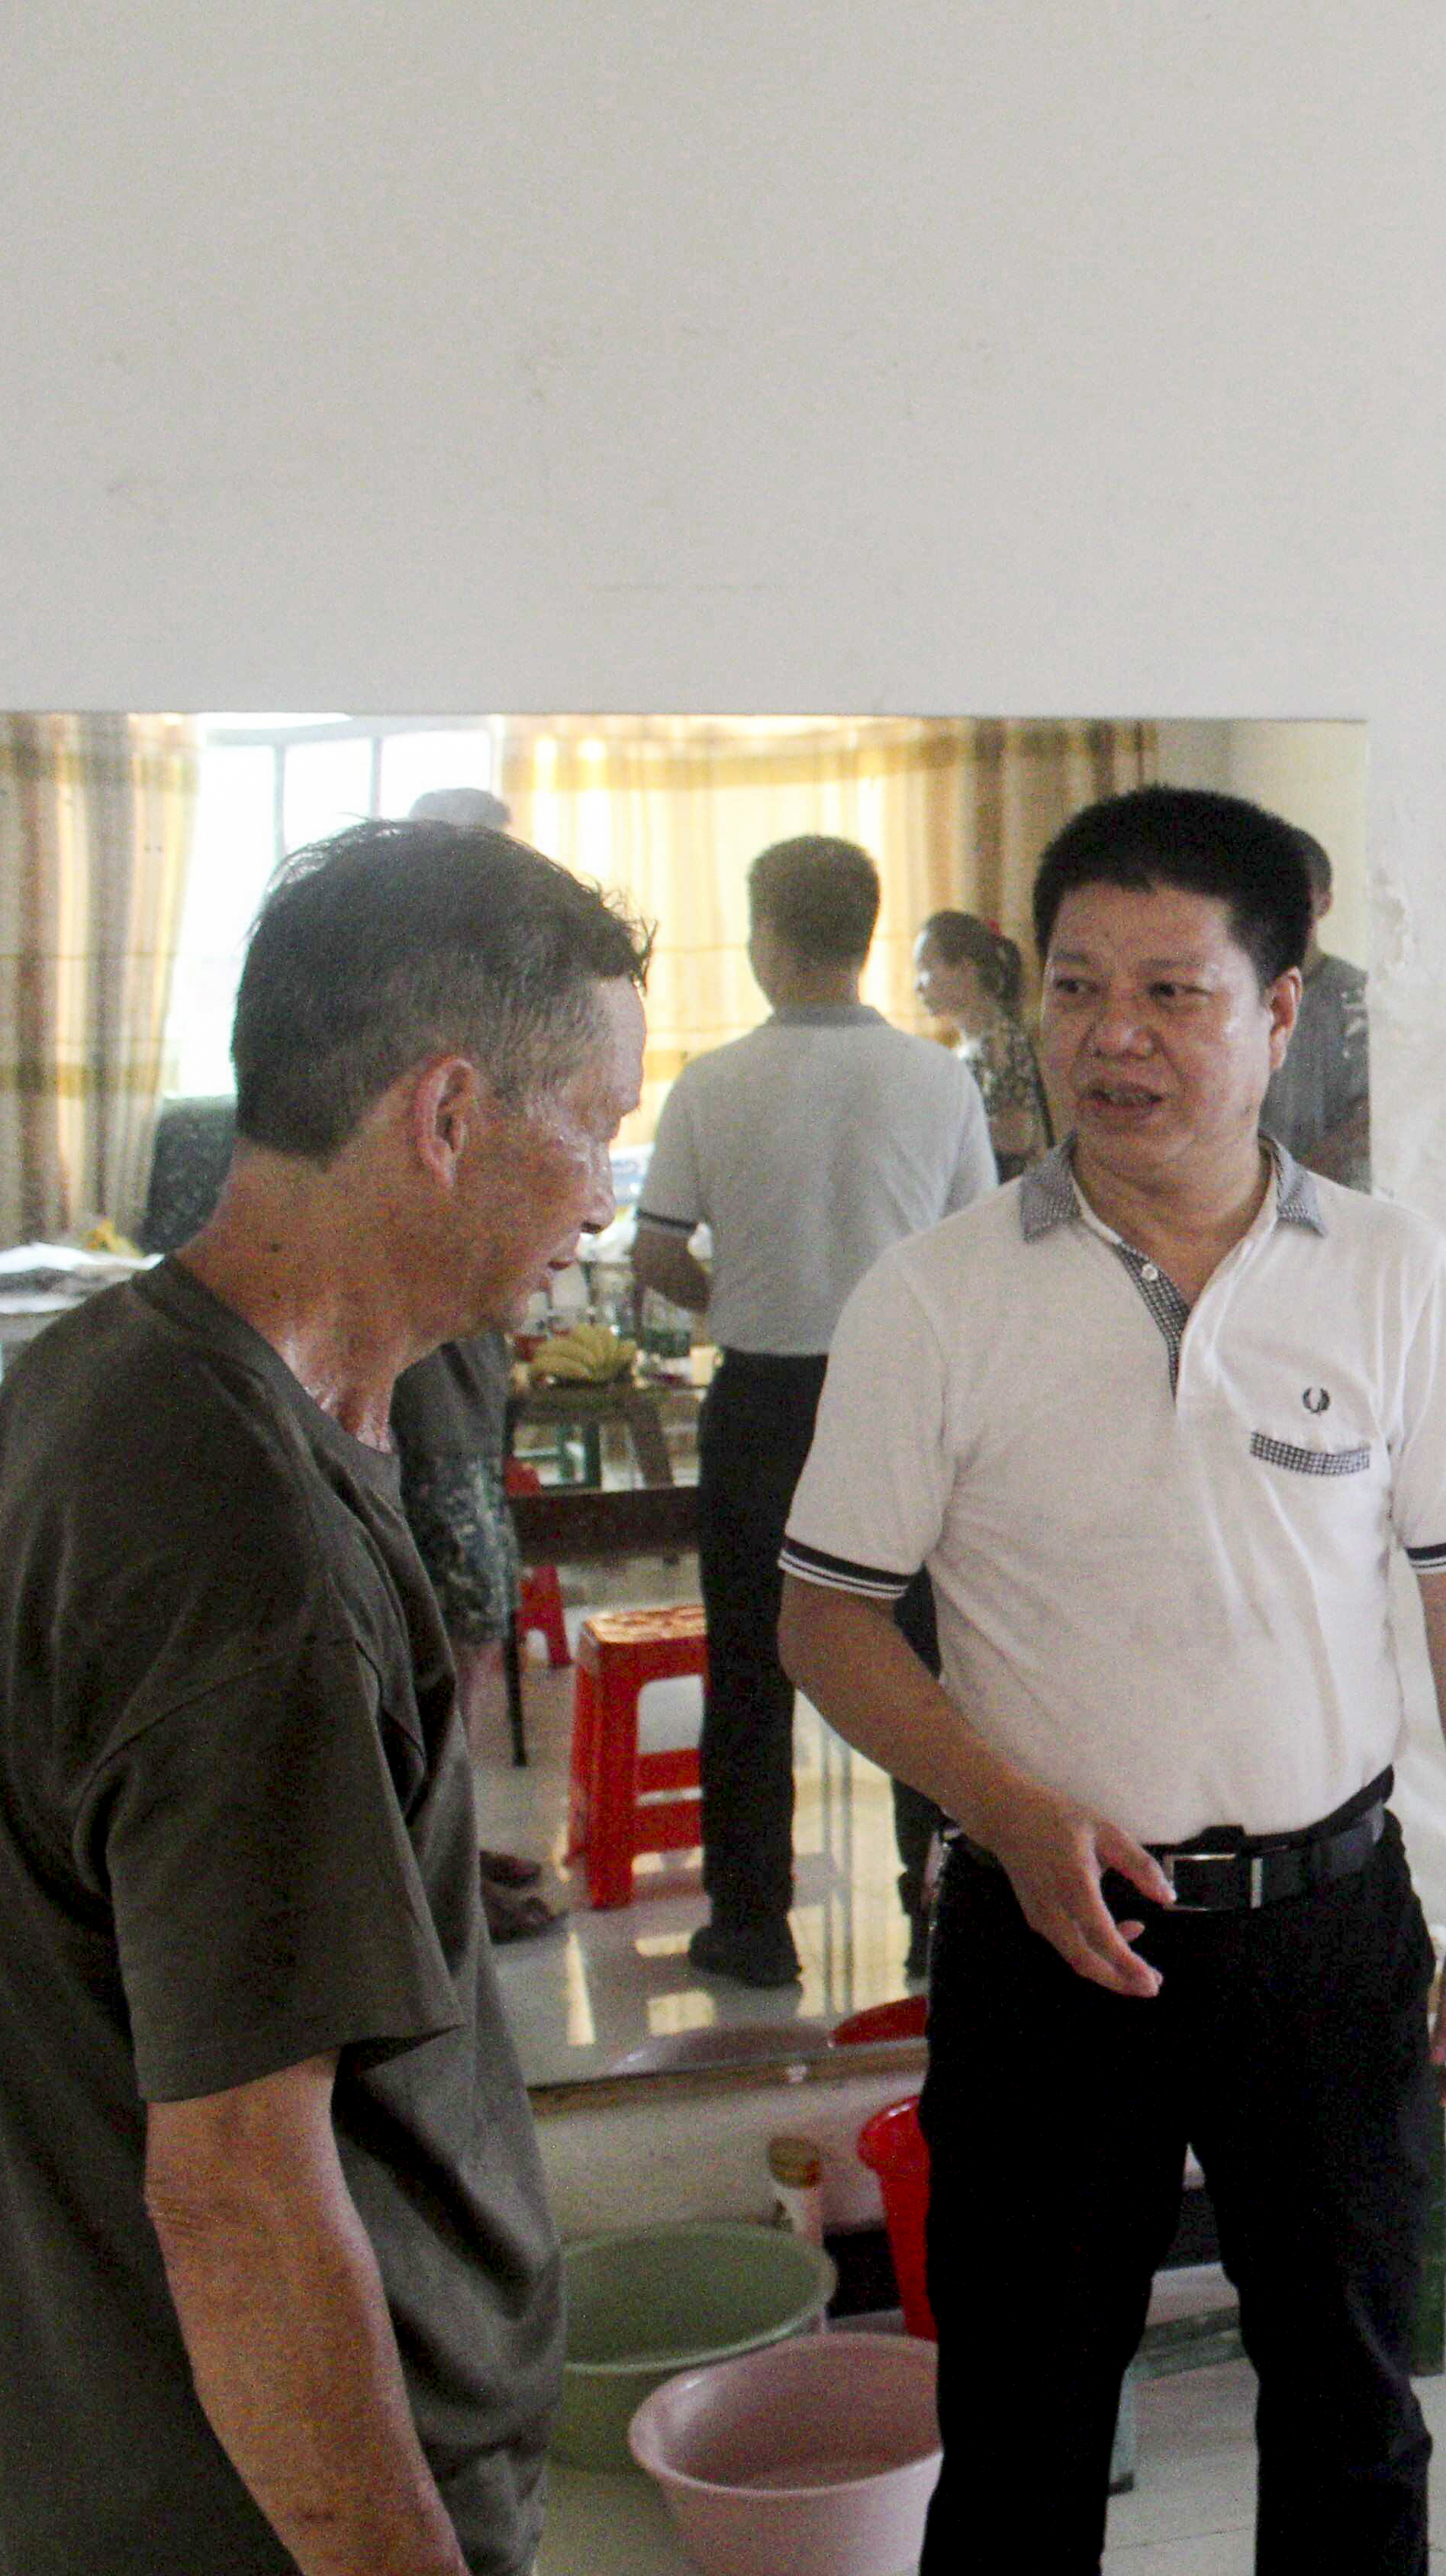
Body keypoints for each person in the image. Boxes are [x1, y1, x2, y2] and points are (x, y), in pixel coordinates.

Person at [0, 820, 647, 2576]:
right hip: (242, 2512)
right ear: (448, 1115)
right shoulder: (241, 1544)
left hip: (111, 2460)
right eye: (594, 1122)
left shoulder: (109, 1375)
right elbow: (236, 2192)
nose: (604, 1194)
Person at [777, 786, 1446, 2572]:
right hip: (1052, 1935)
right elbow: (826, 1619)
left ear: (1278, 1011)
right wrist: (1007, 1810)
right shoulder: (935, 1297)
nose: (1111, 1036)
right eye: (1074, 987)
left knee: (1355, 2414)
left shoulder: (1392, 1272)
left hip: (1328, 1928)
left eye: (1172, 992)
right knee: (1022, 2428)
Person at [633, 837, 994, 1988]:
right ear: (866, 936)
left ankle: (752, 1923)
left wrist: (739, 1297)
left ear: (766, 941)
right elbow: (979, 1261)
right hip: (904, 1402)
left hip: (763, 1401)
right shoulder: (938, 1080)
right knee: (925, 1662)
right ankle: (940, 1911)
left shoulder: (713, 1082)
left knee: (751, 1661)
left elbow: (655, 1254)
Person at [389, 783, 562, 1944]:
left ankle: (440, 1852)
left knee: (467, 1620)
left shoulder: (483, 1004)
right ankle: (423, 1875)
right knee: (450, 1626)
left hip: (461, 1353)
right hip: (416, 1354)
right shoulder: (413, 1013)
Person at [1260, 822, 1370, 1188]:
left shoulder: (1357, 997)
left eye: (1296, 894)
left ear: (1324, 903)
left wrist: (1291, 1185)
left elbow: (1371, 1116)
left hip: (1333, 1202)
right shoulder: (1232, 993)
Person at [914, 907, 1051, 1182]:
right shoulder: (971, 1047)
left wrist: (937, 1127)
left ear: (965, 971)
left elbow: (1019, 1134)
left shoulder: (1002, 1042)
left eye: (927, 969)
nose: (918, 986)